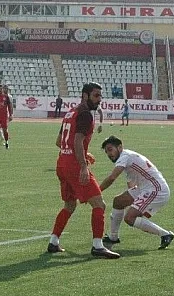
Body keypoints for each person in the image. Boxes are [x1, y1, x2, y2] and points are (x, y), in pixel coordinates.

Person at [46, 82, 120, 259]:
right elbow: (77, 141)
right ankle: (97, 246)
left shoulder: (71, 112)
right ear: (85, 95)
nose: (99, 99)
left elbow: (60, 142)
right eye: (96, 95)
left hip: (62, 164)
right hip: (73, 166)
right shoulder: (85, 114)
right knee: (99, 204)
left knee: (70, 205)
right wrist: (83, 165)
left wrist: (84, 154)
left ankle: (53, 241)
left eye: (100, 96)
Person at [98, 136, 174, 249]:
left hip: (156, 189)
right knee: (118, 201)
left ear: (119, 147)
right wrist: (133, 201)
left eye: (110, 149)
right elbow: (131, 185)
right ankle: (113, 237)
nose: (109, 154)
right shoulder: (127, 158)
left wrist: (97, 191)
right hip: (145, 188)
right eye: (106, 152)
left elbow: (112, 178)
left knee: (129, 218)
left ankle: (165, 234)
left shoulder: (125, 157)